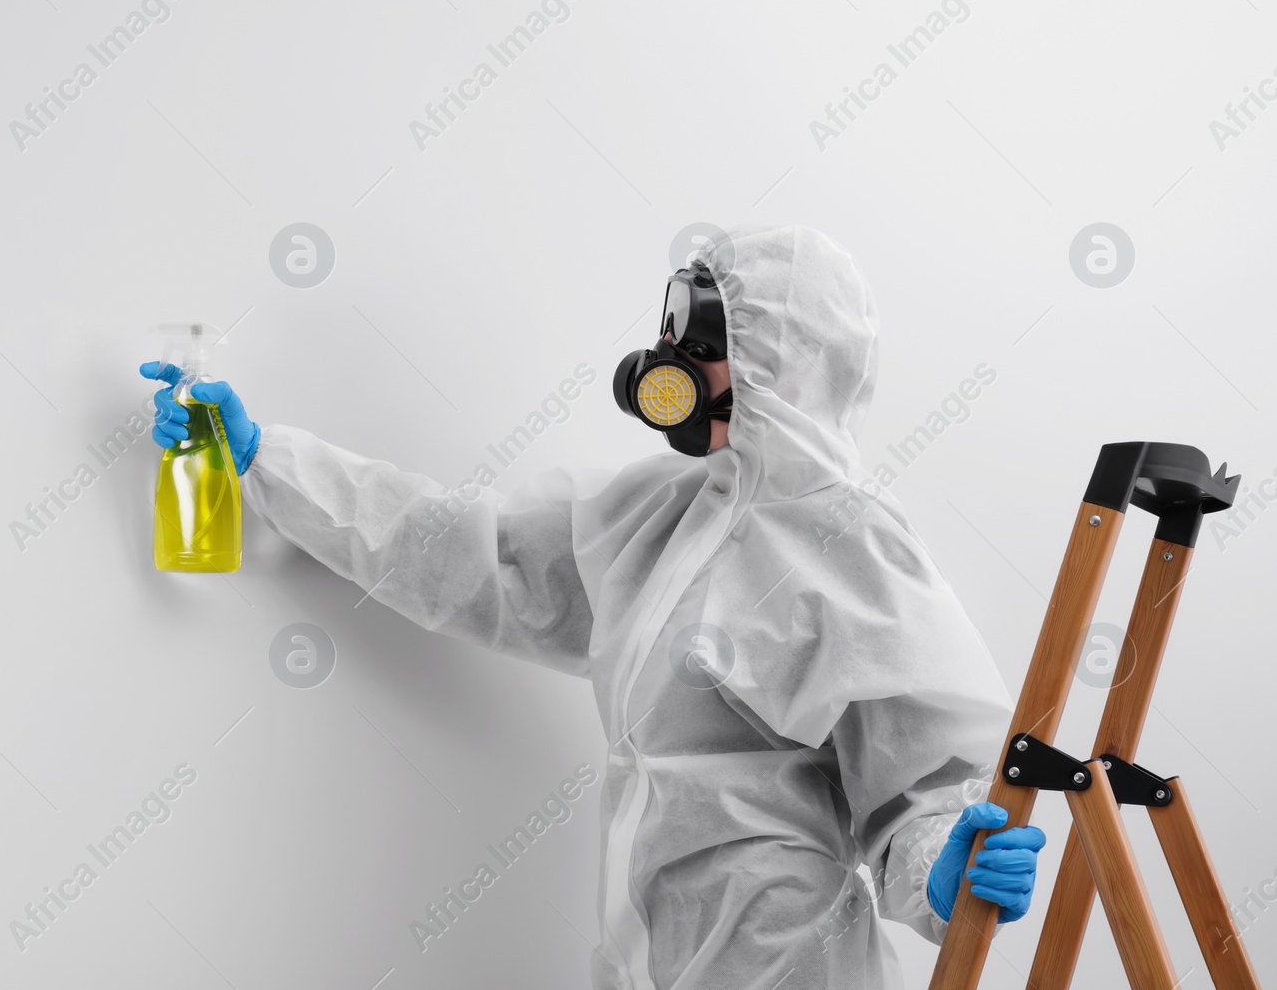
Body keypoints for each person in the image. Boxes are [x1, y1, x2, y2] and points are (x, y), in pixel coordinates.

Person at [141, 224, 1044, 989]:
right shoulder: (661, 516)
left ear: (780, 361)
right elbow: (467, 556)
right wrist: (265, 461)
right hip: (646, 952)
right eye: (675, 335)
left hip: (780, 961)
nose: (672, 365)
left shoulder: (846, 543)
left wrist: (944, 866)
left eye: (703, 341)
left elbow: (929, 779)